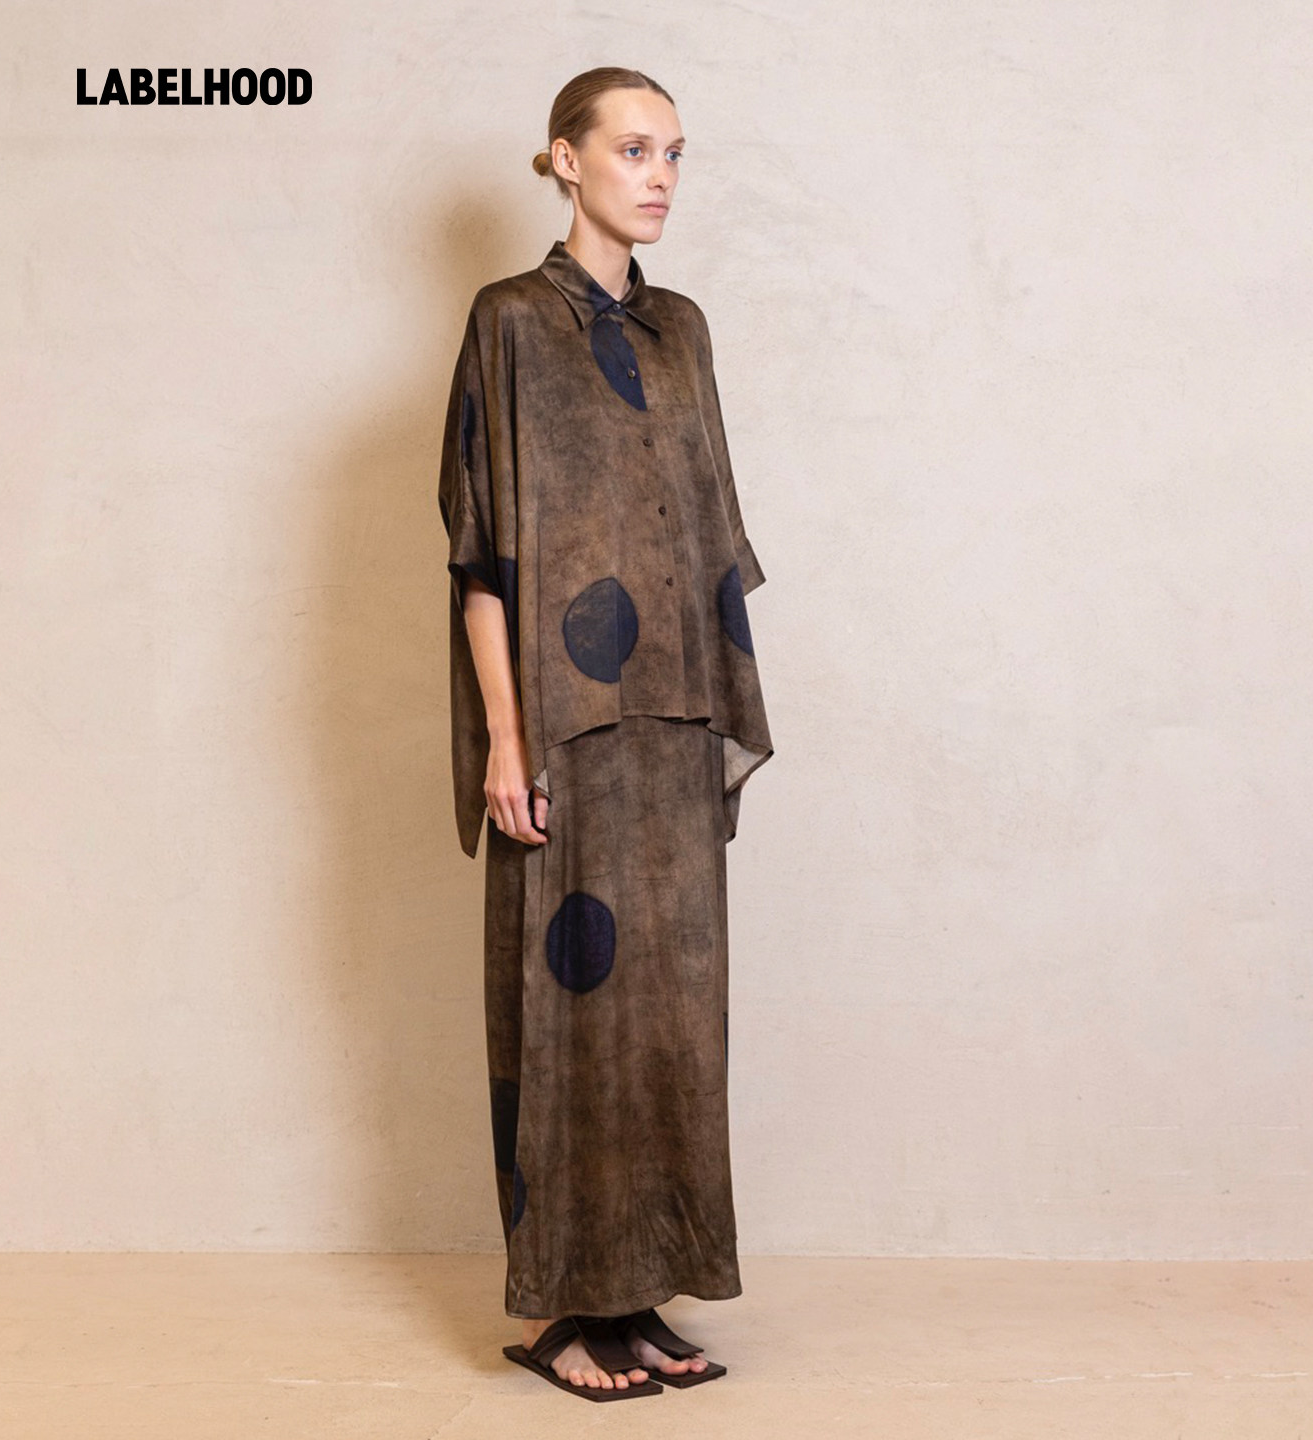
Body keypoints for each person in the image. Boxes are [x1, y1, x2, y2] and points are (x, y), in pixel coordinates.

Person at [436, 66, 774, 1402]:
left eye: (675, 153)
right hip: (566, 727)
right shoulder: (510, 323)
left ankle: (640, 1298)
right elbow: (483, 556)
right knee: (570, 1012)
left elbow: (708, 533)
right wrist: (504, 741)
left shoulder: (683, 330)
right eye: (633, 150)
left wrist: (719, 712)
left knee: (669, 1014)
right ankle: (569, 1313)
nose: (660, 176)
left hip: (673, 724)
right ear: (565, 161)